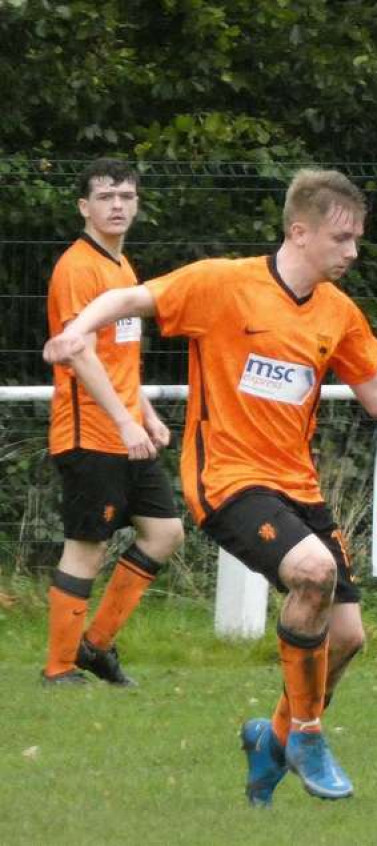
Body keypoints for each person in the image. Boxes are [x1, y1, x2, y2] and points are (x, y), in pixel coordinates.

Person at [43, 168, 377, 806]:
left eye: (357, 238)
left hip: (297, 486)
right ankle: (304, 731)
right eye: (342, 237)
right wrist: (81, 327)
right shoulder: (222, 283)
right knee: (313, 571)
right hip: (226, 479)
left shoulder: (339, 312)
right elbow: (132, 300)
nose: (353, 251)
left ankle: (268, 744)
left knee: (348, 637)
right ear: (299, 232)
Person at [43, 158, 184, 687]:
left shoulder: (123, 270)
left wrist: (145, 414)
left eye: (126, 195)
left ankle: (95, 646)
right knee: (87, 545)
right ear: (84, 207)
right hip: (89, 435)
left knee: (165, 533)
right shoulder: (77, 267)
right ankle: (58, 668)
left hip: (127, 432)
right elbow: (79, 355)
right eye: (105, 197)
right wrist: (126, 423)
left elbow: (121, 356)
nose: (117, 205)